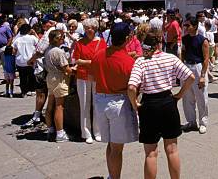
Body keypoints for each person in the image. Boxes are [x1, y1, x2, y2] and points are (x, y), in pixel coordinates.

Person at [128, 31, 195, 179]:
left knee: (151, 153)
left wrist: (135, 104)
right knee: (172, 149)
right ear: (160, 43)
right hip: (168, 102)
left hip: (149, 105)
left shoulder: (141, 61)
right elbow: (190, 76)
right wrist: (179, 95)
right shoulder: (170, 58)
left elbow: (132, 87)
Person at [90, 22, 138, 179]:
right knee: (117, 148)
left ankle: (112, 175)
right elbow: (133, 88)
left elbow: (92, 77)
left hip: (100, 101)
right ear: (127, 38)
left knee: (111, 145)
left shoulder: (98, 55)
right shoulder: (128, 62)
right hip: (118, 103)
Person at [72, 18, 103, 143]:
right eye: (86, 28)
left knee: (97, 104)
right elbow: (76, 60)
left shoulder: (101, 42)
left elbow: (104, 57)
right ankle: (86, 132)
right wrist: (89, 62)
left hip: (97, 76)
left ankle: (98, 131)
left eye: (91, 28)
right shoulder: (79, 43)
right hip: (83, 76)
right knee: (84, 104)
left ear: (95, 28)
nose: (89, 30)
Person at [180, 16, 211, 133]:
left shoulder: (203, 40)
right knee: (187, 97)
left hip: (198, 67)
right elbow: (182, 53)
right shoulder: (185, 39)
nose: (186, 27)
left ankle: (203, 122)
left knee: (201, 97)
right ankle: (191, 122)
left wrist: (203, 76)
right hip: (186, 67)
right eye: (185, 25)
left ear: (195, 26)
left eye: (188, 25)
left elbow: (206, 59)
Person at [44, 30, 73, 142]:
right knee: (59, 106)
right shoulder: (58, 52)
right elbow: (66, 68)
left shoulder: (48, 50)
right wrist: (73, 70)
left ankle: (50, 128)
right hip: (59, 78)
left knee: (50, 103)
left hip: (50, 76)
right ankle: (60, 133)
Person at [12, 23, 38, 97]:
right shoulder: (32, 38)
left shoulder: (17, 40)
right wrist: (35, 33)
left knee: (22, 77)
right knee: (31, 76)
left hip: (20, 61)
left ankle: (23, 91)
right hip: (30, 60)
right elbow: (39, 44)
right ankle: (32, 90)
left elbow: (14, 51)